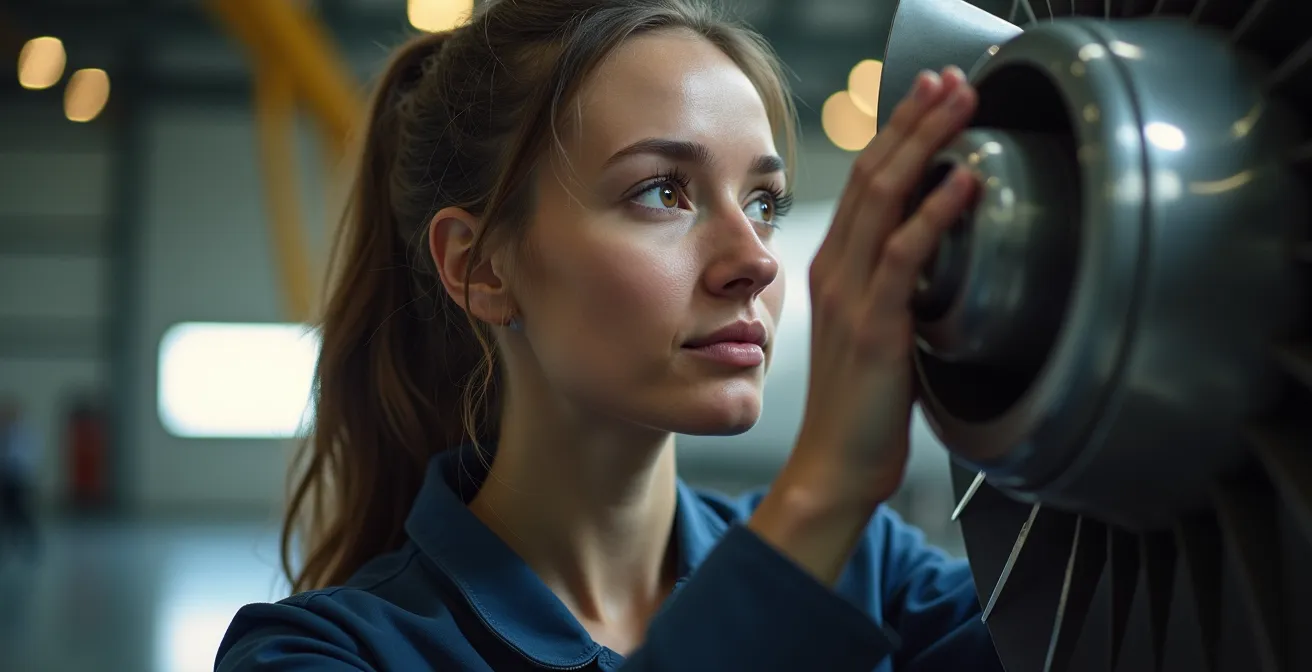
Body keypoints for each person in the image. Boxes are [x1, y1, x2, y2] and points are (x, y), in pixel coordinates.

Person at [216, 0, 997, 669]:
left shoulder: (873, 572)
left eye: (764, 203)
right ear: (482, 267)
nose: (755, 260)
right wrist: (823, 491)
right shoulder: (321, 652)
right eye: (663, 192)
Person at [0, 399, 40, 562]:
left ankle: (30, 543)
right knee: (8, 514)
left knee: (21, 513)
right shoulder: (5, 433)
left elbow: (28, 459)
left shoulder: (25, 434)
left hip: (19, 480)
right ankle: (9, 546)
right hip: (6, 480)